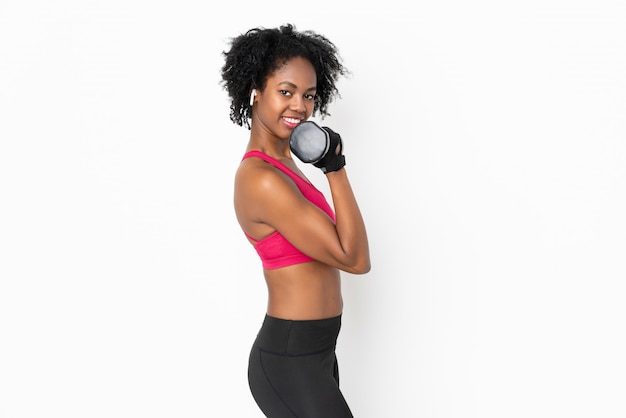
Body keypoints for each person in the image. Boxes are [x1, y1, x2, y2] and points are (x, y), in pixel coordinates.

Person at [220, 23, 371, 417]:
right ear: (256, 90)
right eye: (285, 92)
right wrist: (335, 168)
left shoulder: (287, 163)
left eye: (308, 95)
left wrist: (325, 165)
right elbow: (354, 258)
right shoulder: (262, 179)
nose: (300, 107)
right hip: (290, 358)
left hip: (318, 348)